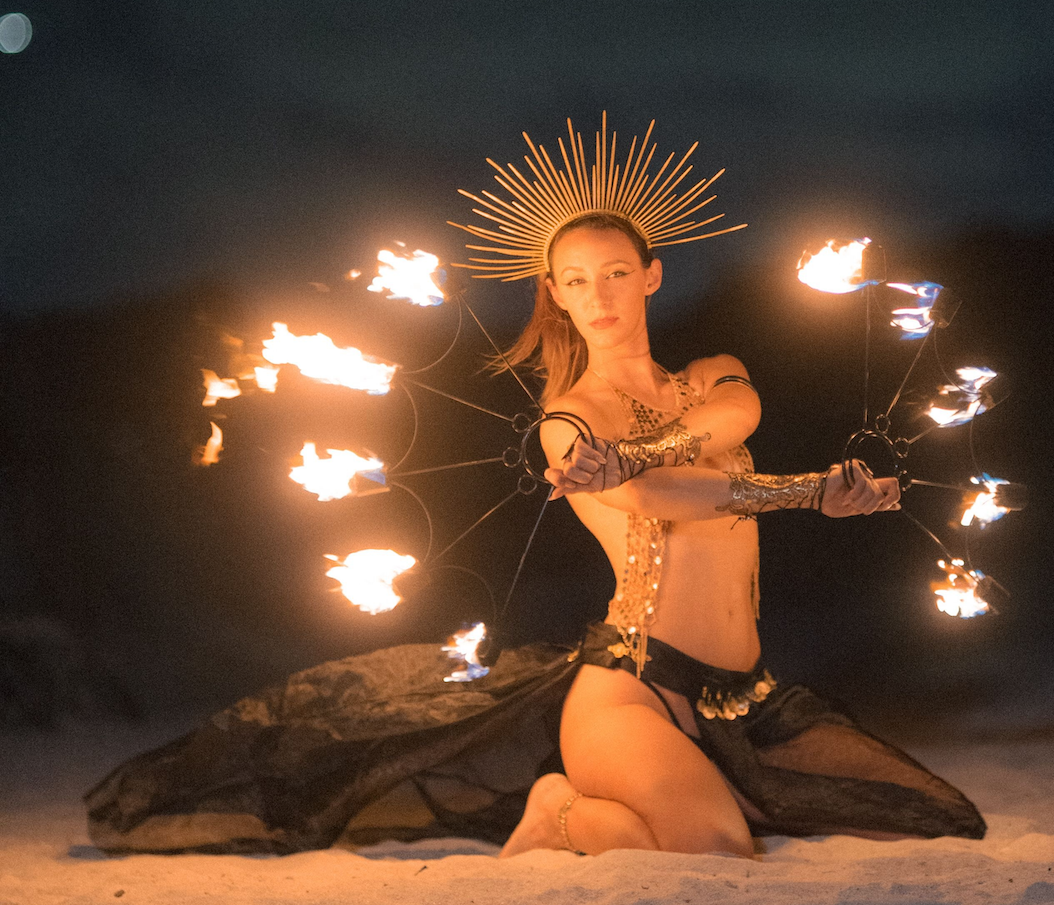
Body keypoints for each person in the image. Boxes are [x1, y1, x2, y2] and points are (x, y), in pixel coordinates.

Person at [83, 119, 984, 857]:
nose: (600, 294)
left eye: (618, 274)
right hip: (633, 689)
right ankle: (558, 809)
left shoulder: (714, 372)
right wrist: (806, 494)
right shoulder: (566, 419)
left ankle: (676, 800)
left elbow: (735, 420)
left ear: (652, 276)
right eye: (578, 280)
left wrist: (642, 453)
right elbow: (667, 504)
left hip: (750, 699)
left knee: (937, 820)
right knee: (713, 856)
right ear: (553, 291)